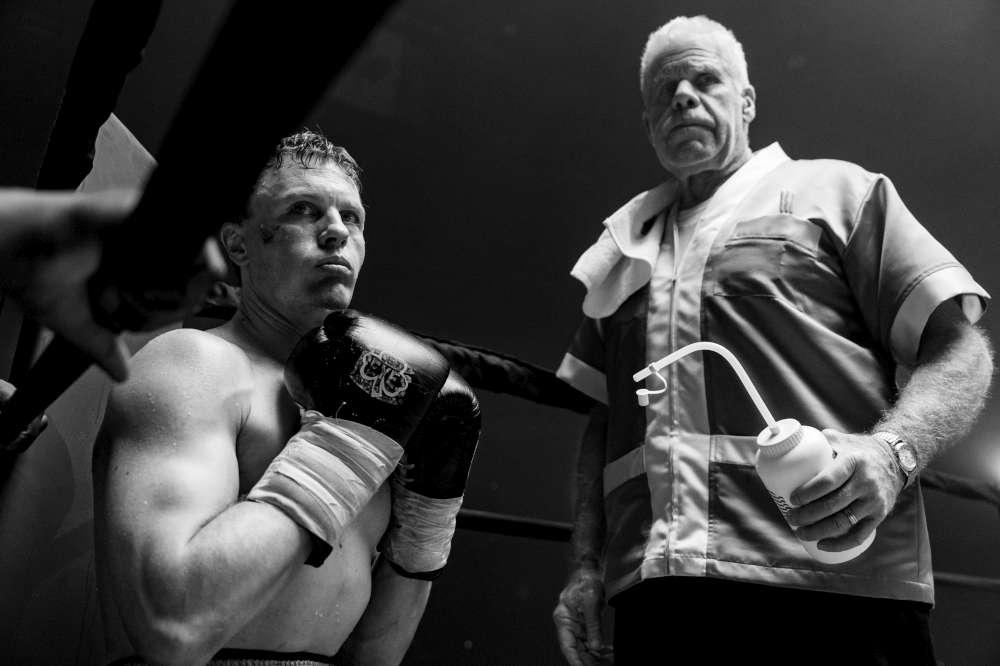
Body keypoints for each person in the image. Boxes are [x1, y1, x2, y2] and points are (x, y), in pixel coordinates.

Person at [552, 16, 992, 666]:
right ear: (649, 124)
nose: (683, 97)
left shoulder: (839, 192)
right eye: (666, 91)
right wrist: (585, 567)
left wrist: (892, 455)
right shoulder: (620, 252)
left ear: (747, 101)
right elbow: (604, 423)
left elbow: (961, 350)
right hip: (658, 599)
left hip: (835, 583)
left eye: (705, 80)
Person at [93, 130, 480, 665]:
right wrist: (344, 447)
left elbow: (374, 654)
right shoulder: (194, 365)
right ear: (239, 244)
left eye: (353, 217)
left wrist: (427, 524)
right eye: (303, 209)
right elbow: (172, 624)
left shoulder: (373, 404)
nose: (337, 231)